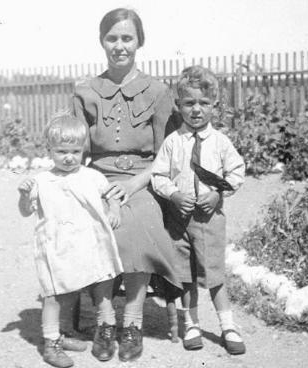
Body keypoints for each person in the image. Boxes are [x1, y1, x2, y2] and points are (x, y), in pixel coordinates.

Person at [72, 8, 182, 362]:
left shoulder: (157, 91)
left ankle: (131, 321)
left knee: (139, 222)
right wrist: (93, 187)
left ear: (140, 42)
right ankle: (105, 320)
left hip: (144, 178)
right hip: (97, 177)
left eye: (127, 38)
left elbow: (168, 153)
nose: (119, 46)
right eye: (112, 38)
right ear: (102, 41)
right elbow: (78, 152)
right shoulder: (87, 92)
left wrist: (136, 183)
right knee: (96, 222)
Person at [151, 65, 246, 355]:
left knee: (214, 273)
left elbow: (237, 172)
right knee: (186, 274)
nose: (196, 110)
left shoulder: (220, 142)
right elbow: (158, 176)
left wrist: (218, 193)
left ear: (214, 105)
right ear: (178, 106)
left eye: (204, 103)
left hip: (209, 220)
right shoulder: (172, 142)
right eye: (189, 103)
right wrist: (175, 194)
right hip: (179, 221)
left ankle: (227, 325)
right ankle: (191, 323)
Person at [18, 113, 124, 368]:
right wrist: (23, 195)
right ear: (49, 150)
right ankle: (52, 342)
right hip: (57, 247)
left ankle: (105, 332)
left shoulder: (92, 176)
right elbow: (25, 211)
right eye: (61, 151)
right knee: (54, 295)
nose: (69, 157)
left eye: (75, 151)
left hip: (90, 243)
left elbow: (112, 195)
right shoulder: (42, 181)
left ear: (83, 150)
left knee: (102, 287)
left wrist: (114, 210)